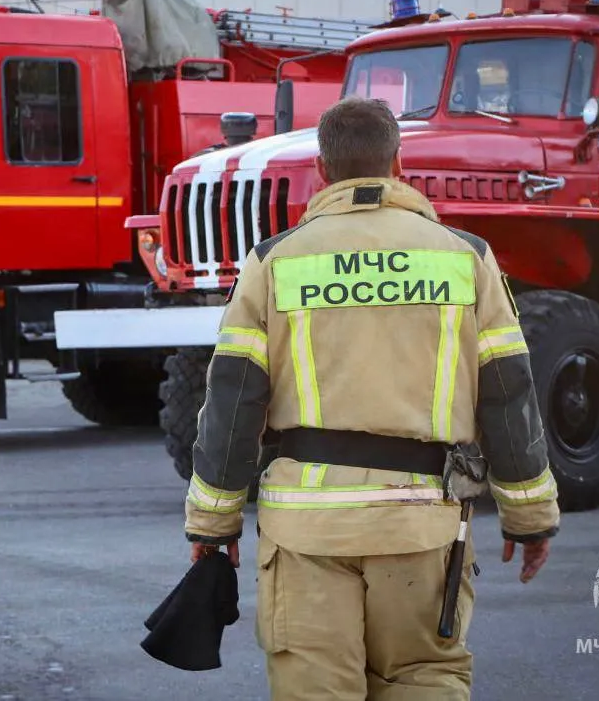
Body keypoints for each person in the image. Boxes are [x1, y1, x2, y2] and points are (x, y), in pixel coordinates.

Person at [183, 96, 560, 700]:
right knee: (424, 681)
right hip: (421, 526)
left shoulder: (273, 262)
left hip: (307, 532)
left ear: (323, 171)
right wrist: (530, 515)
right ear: (399, 164)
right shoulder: (466, 259)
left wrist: (213, 521)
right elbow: (508, 395)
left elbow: (232, 404)